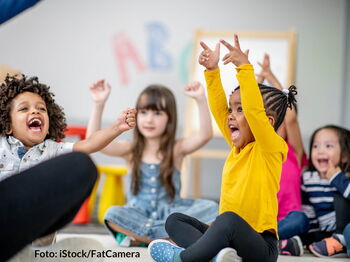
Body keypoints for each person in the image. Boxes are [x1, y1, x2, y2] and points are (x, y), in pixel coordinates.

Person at [147, 34, 297, 262]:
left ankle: (184, 258)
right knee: (174, 220)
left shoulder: (271, 148)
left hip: (261, 248)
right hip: (230, 241)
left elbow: (255, 112)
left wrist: (244, 69)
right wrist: (211, 71)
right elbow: (219, 110)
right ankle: (219, 257)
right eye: (232, 109)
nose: (230, 116)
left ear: (266, 122)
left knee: (227, 220)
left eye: (240, 110)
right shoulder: (238, 147)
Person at [0, 74, 136, 257]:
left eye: (41, 109)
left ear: (48, 126)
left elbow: (89, 145)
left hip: (38, 237)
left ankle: (38, 255)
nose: (35, 112)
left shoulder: (53, 149)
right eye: (24, 109)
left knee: (82, 164)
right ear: (7, 126)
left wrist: (118, 126)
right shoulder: (2, 144)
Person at [86, 79, 218, 247]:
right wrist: (98, 104)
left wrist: (200, 100)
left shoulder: (176, 149)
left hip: (172, 215)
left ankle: (143, 239)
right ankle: (171, 240)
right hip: (138, 214)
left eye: (157, 113)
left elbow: (205, 135)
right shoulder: (130, 149)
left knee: (212, 207)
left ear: (170, 119)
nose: (149, 120)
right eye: (144, 112)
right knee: (112, 214)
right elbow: (94, 142)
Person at [257, 54, 309, 242]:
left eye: (280, 121)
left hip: (287, 220)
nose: (274, 125)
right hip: (259, 219)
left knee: (301, 220)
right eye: (269, 120)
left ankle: (263, 240)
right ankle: (274, 242)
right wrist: (257, 82)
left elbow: (291, 117)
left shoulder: (293, 151)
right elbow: (249, 111)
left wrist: (269, 76)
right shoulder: (257, 149)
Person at [279, 125, 350, 258]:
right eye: (315, 146)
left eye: (328, 146)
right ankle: (266, 238)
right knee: (298, 218)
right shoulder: (308, 178)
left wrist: (337, 179)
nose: (320, 150)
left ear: (345, 156)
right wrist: (308, 237)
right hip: (318, 232)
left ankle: (340, 243)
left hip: (342, 232)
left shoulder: (346, 178)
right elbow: (308, 209)